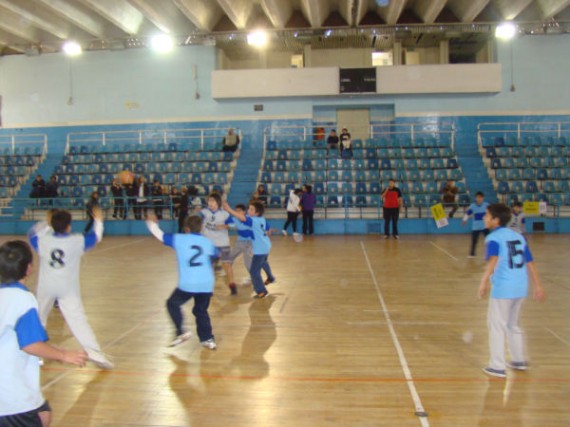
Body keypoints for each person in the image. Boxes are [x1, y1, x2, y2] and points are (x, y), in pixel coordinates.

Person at [0, 240, 88, 427]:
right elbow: (30, 344)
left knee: (44, 413)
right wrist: (64, 355)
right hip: (12, 398)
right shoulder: (23, 299)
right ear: (29, 268)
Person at [28, 208, 114, 369]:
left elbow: (31, 235)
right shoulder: (76, 240)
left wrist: (47, 225)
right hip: (68, 288)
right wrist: (99, 221)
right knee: (79, 321)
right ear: (69, 226)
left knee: (39, 319)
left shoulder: (43, 241)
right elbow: (96, 237)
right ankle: (95, 354)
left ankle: (36, 355)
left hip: (46, 287)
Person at [478, 203, 545, 378]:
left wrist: (483, 281)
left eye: (487, 215)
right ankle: (519, 360)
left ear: (496, 220)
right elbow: (530, 262)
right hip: (520, 287)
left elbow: (493, 260)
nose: (484, 218)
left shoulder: (493, 238)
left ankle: (497, 366)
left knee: (496, 325)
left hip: (503, 289)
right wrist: (537, 285)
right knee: (513, 324)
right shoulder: (518, 237)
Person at [145, 214, 218, 350]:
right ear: (200, 228)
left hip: (188, 284)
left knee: (172, 304)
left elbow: (159, 235)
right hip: (206, 283)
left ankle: (181, 331)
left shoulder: (179, 239)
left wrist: (151, 223)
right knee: (201, 310)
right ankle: (208, 339)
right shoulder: (207, 242)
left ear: (186, 228)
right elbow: (215, 255)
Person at [223, 201, 275, 299]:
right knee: (262, 263)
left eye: (251, 209)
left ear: (257, 212)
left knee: (254, 271)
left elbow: (242, 218)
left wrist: (229, 210)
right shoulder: (261, 219)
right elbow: (268, 231)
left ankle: (262, 291)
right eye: (249, 208)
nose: (249, 211)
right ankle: (270, 278)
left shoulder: (253, 220)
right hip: (266, 245)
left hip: (260, 249)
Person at [199, 192, 237, 295]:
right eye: (209, 200)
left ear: (218, 202)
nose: (210, 203)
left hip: (222, 243)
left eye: (213, 201)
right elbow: (197, 223)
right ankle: (208, 288)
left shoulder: (224, 214)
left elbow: (233, 225)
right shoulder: (204, 212)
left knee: (227, 265)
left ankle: (232, 285)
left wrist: (224, 226)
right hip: (208, 245)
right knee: (208, 267)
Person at [462, 191, 490, 258]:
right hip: (476, 226)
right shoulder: (472, 206)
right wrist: (464, 220)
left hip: (485, 226)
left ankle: (490, 253)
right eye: (478, 197)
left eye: (480, 197)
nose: (479, 199)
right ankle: (472, 253)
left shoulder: (487, 205)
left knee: (489, 240)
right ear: (476, 198)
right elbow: (468, 213)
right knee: (474, 241)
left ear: (483, 198)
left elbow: (491, 213)